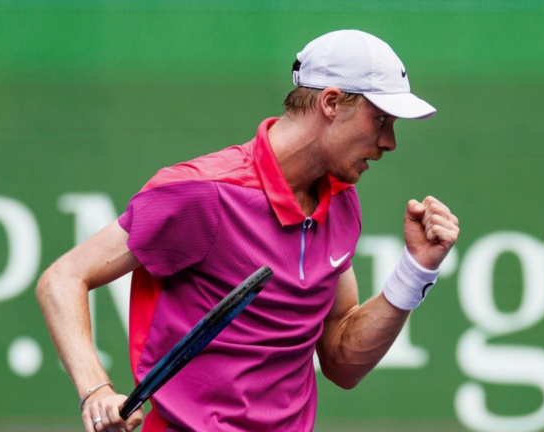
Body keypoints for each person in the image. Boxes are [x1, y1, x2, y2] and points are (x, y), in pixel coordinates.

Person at [37, 29, 459, 432]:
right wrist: (96, 390)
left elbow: (341, 363)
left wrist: (415, 271)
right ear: (331, 102)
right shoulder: (202, 193)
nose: (390, 141)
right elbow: (63, 278)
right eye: (380, 119)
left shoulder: (342, 203)